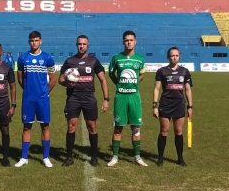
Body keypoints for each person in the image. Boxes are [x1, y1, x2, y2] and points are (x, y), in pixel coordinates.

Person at [58, 35, 110, 167]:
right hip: (73, 98)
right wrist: (67, 84)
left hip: (89, 98)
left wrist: (106, 99)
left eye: (84, 44)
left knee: (92, 127)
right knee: (71, 126)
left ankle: (94, 157)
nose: (81, 46)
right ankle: (69, 157)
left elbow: (103, 80)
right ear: (76, 45)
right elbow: (61, 79)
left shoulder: (94, 61)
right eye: (79, 44)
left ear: (88, 45)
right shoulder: (69, 61)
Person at [14, 31, 57, 168]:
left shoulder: (47, 58)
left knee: (45, 126)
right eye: (32, 41)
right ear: (29, 42)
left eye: (36, 40)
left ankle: (45, 157)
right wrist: (27, 90)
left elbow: (53, 79)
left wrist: (44, 92)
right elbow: (20, 78)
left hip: (42, 99)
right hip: (28, 98)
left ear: (41, 41)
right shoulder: (23, 58)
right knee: (27, 126)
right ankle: (24, 157)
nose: (34, 43)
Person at [107, 30, 147, 167]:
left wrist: (135, 84)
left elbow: (142, 74)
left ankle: (137, 156)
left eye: (131, 40)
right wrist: (118, 83)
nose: (129, 42)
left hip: (134, 97)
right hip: (121, 97)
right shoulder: (116, 58)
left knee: (136, 128)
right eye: (126, 40)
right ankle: (115, 157)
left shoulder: (140, 59)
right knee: (118, 127)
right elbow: (111, 73)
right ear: (123, 42)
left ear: (135, 41)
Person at [152, 46, 193, 167]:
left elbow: (188, 89)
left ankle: (180, 158)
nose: (174, 57)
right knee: (164, 131)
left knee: (178, 131)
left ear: (179, 56)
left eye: (176, 55)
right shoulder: (162, 71)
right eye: (172, 55)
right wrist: (155, 105)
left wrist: (190, 106)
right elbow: (156, 89)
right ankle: (160, 158)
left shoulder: (185, 71)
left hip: (179, 105)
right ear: (168, 57)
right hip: (165, 104)